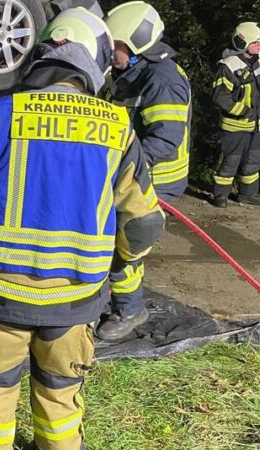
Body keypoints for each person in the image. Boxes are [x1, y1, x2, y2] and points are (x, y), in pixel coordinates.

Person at [0, 8, 164, 450]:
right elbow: (143, 225)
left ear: (42, 54)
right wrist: (120, 266)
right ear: (94, 62)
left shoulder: (0, 115)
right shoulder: (118, 129)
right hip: (74, 301)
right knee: (61, 402)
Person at [97, 1, 191, 340]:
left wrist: (118, 162)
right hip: (129, 173)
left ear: (136, 45)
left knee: (122, 244)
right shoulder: (129, 73)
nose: (109, 52)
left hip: (155, 179)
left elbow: (164, 142)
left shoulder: (161, 80)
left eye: (115, 45)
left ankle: (130, 309)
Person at [211, 22, 260, 208]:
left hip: (256, 125)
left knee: (253, 162)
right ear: (243, 42)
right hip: (235, 125)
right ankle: (220, 195)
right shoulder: (228, 65)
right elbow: (220, 97)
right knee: (229, 161)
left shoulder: (258, 61)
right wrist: (245, 112)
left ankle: (248, 194)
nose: (259, 45)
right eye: (256, 42)